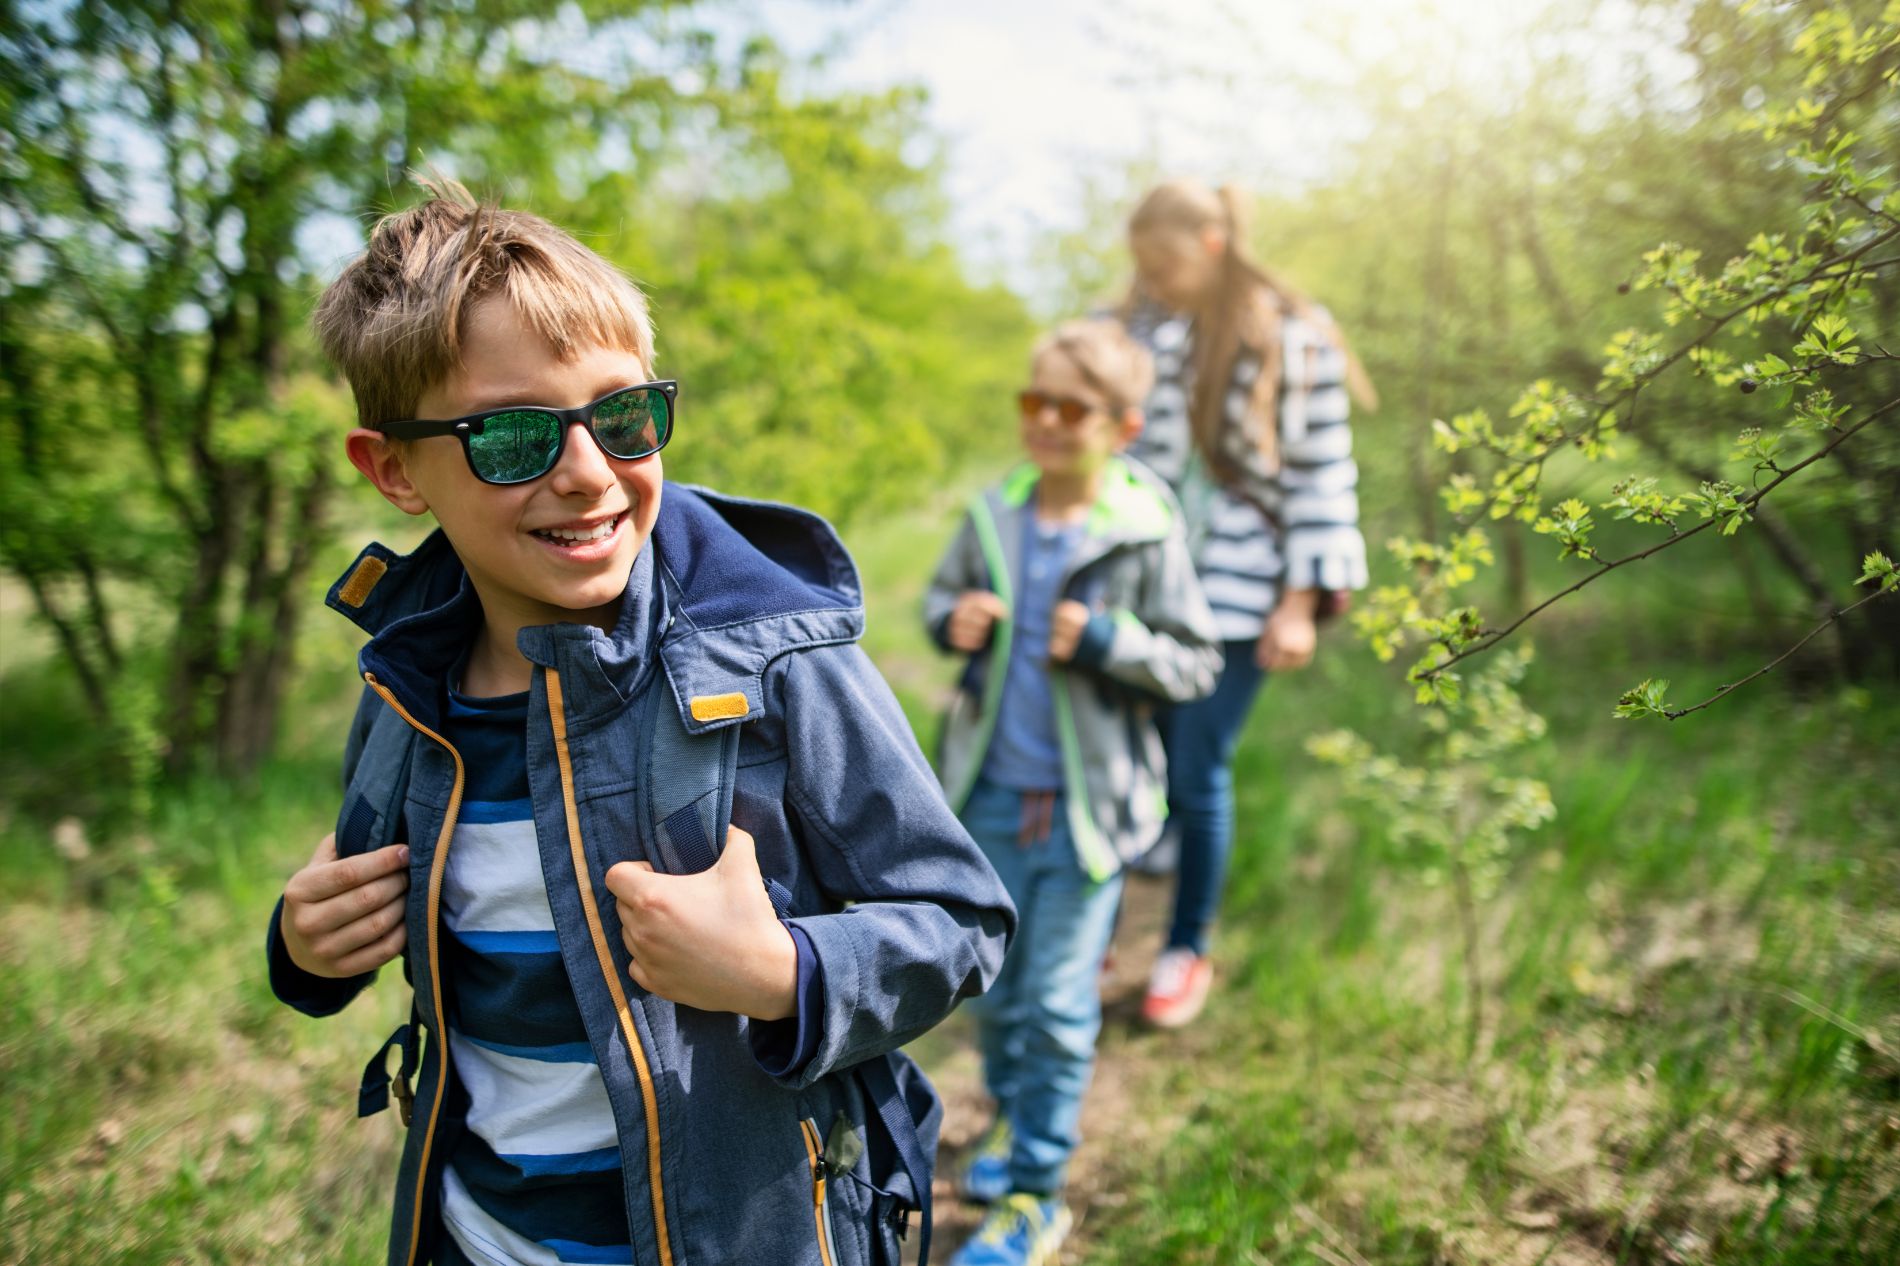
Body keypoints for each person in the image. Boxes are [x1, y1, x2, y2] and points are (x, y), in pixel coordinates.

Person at [265, 181, 1015, 1266]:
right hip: (479, 1236)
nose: (587, 474)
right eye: (511, 437)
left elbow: (963, 921)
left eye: (622, 418)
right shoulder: (405, 686)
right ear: (393, 468)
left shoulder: (774, 658)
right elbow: (379, 923)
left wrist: (784, 973)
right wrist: (307, 951)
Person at [924, 319, 1221, 1266]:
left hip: (1088, 815)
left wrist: (1106, 640)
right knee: (994, 996)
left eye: (1073, 408)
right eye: (1034, 401)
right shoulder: (993, 515)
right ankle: (1013, 1123)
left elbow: (1195, 662)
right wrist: (954, 621)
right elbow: (939, 602)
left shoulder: (1145, 531)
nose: (1047, 421)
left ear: (1124, 426)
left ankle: (1036, 1192)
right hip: (986, 802)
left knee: (1055, 1006)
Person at [1118, 180, 1378, 1029]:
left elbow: (1321, 474)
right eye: (1141, 264)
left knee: (1199, 766)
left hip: (1238, 590)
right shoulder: (1142, 328)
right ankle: (1107, 925)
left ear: (1213, 243)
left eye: (1164, 262)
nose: (1152, 278)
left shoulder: (1295, 334)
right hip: (1147, 582)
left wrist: (1299, 605)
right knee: (1137, 751)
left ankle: (1184, 947)